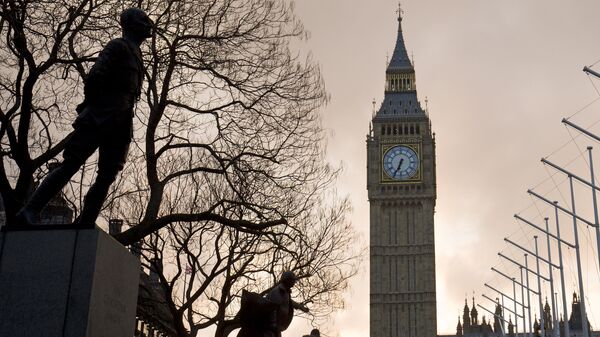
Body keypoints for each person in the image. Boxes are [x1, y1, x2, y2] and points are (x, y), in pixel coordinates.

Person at [15, 8, 152, 226]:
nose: (149, 24)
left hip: (122, 119)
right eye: (144, 20)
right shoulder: (118, 46)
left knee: (108, 174)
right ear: (132, 24)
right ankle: (29, 210)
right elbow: (95, 76)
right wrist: (97, 106)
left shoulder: (136, 52)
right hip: (100, 115)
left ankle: (86, 220)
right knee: (71, 164)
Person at [266, 271, 309, 337]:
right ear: (287, 280)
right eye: (292, 280)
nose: (294, 283)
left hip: (276, 328)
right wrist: (274, 325)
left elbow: (290, 302)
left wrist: (301, 307)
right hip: (271, 329)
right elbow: (272, 308)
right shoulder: (277, 291)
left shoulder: (285, 292)